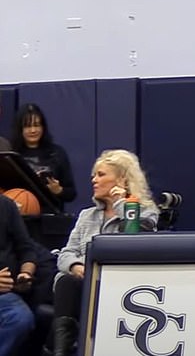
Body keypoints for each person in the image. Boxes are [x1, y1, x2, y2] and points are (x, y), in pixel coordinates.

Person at [51, 149, 158, 356]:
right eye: (94, 175)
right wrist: (76, 266)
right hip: (81, 283)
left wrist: (121, 205)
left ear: (122, 180)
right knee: (65, 280)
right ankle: (61, 351)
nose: (94, 180)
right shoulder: (87, 216)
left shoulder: (146, 210)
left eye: (101, 175)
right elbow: (66, 253)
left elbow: (136, 243)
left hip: (119, 284)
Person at [10, 104, 77, 212]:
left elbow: (71, 194)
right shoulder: (12, 154)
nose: (33, 130)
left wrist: (59, 190)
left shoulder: (57, 153)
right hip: (19, 216)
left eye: (37, 125)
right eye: (27, 126)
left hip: (50, 218)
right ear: (20, 129)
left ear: (43, 127)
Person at [0, 193, 37, 356]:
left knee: (21, 318)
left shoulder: (6, 205)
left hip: (5, 295)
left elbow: (27, 249)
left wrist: (25, 273)